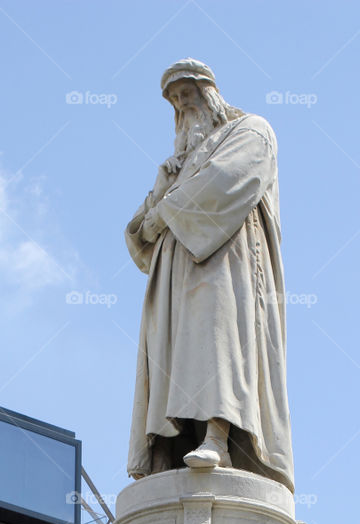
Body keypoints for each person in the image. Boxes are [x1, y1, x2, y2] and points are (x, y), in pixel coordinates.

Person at [125, 58, 294, 490]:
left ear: (209, 93)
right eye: (176, 101)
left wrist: (164, 211)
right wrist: (161, 208)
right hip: (174, 271)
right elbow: (140, 228)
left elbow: (223, 184)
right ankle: (168, 449)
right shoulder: (175, 163)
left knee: (220, 341)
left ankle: (219, 437)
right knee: (171, 353)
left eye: (189, 95)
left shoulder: (251, 129)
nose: (184, 106)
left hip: (225, 258)